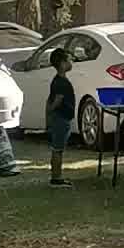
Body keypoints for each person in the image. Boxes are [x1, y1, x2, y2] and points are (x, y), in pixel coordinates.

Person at [46, 47, 75, 187]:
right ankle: (56, 178)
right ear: (63, 64)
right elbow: (57, 99)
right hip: (61, 118)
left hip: (61, 118)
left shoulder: (58, 80)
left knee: (57, 148)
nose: (71, 61)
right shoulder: (61, 82)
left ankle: (56, 176)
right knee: (58, 149)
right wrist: (51, 111)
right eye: (69, 59)